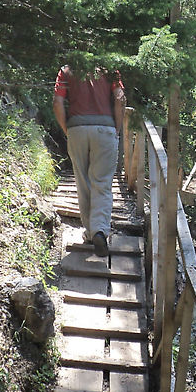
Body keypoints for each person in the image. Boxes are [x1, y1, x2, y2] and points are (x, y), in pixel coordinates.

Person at [53, 64, 126, 256]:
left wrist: (67, 129)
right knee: (101, 183)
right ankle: (99, 230)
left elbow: (57, 102)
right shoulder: (110, 69)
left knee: (83, 182)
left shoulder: (67, 71)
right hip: (105, 130)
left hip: (77, 129)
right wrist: (116, 128)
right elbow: (120, 98)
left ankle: (89, 232)